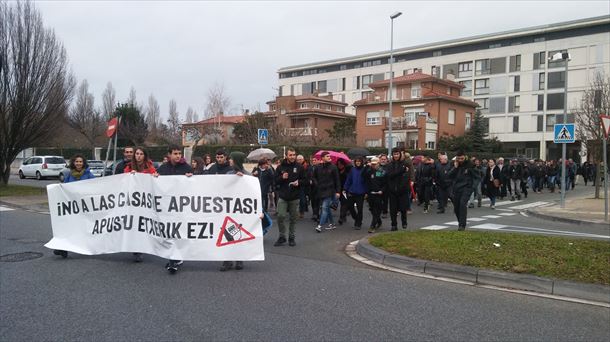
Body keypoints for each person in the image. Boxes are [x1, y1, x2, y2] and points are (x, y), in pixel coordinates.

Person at [153, 146, 193, 274]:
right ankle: (173, 257)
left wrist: (191, 178)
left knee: (179, 231)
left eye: (180, 153)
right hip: (166, 207)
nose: (178, 156)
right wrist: (155, 177)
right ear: (169, 155)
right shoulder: (163, 168)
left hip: (182, 206)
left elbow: (196, 184)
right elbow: (155, 183)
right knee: (169, 231)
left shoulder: (186, 168)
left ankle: (175, 258)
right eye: (175, 153)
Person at [53, 154, 96, 258]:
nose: (78, 163)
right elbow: (65, 188)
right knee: (68, 227)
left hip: (85, 207)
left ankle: (91, 247)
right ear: (73, 163)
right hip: (73, 207)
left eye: (80, 162)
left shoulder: (89, 174)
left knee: (85, 228)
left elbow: (96, 186)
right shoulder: (69, 175)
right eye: (77, 161)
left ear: (83, 163)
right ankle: (63, 249)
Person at [123, 147, 156, 262]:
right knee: (134, 225)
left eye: (141, 154)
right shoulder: (128, 168)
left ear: (144, 156)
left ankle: (141, 247)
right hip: (132, 202)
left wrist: (155, 177)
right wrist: (129, 176)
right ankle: (136, 250)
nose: (138, 156)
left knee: (142, 224)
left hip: (145, 202)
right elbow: (123, 182)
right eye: (137, 153)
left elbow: (155, 181)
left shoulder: (150, 168)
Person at [220, 151, 250, 272]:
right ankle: (227, 260)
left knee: (238, 234)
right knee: (227, 234)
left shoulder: (248, 176)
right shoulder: (228, 174)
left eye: (232, 159)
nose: (229, 161)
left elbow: (252, 194)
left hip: (241, 211)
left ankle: (239, 259)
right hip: (229, 209)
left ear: (236, 160)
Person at [273, 148, 306, 245]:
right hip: (283, 196)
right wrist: (282, 178)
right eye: (290, 155)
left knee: (293, 218)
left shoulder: (299, 167)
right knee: (280, 216)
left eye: (294, 155)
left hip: (294, 197)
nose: (292, 157)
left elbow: (306, 180)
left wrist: (299, 182)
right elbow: (275, 181)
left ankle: (291, 237)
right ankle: (282, 236)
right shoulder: (280, 167)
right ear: (286, 156)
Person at [447, 150, 475, 231]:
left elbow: (476, 176)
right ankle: (460, 222)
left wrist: (472, 187)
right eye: (459, 159)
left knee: (463, 204)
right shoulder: (454, 164)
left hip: (467, 187)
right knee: (456, 207)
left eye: (462, 158)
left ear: (465, 157)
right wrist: (455, 168)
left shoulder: (470, 164)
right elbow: (449, 175)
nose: (460, 160)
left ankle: (462, 225)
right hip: (456, 187)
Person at [313, 151, 340, 232]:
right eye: (327, 156)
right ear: (322, 158)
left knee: (324, 208)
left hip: (330, 190)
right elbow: (313, 177)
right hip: (320, 191)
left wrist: (338, 191)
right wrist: (316, 184)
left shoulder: (333, 167)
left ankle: (320, 226)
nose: (329, 157)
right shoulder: (318, 167)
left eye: (329, 156)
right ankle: (332, 224)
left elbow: (337, 180)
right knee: (327, 208)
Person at [384, 148, 410, 230]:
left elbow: (406, 177)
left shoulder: (404, 164)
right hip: (392, 190)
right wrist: (401, 171)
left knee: (403, 208)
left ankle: (404, 221)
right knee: (393, 209)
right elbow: (390, 175)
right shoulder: (389, 165)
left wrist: (402, 187)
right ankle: (394, 224)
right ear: (392, 155)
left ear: (400, 155)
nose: (396, 156)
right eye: (394, 154)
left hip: (403, 190)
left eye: (397, 154)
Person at [363, 157, 386, 233]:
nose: (373, 165)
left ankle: (372, 226)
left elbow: (385, 183)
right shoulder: (369, 171)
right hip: (370, 194)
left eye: (375, 164)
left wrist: (382, 190)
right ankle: (378, 221)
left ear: (378, 164)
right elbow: (363, 176)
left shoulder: (381, 172)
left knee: (377, 210)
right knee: (372, 209)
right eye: (372, 164)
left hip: (379, 194)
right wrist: (366, 166)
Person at [343, 156, 367, 230]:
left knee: (360, 209)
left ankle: (358, 223)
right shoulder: (352, 170)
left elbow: (367, 182)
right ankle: (356, 218)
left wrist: (366, 192)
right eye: (357, 161)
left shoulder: (364, 170)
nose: (358, 163)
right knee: (350, 207)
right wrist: (345, 188)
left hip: (361, 192)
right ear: (355, 162)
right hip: (352, 191)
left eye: (359, 161)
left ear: (362, 162)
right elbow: (349, 180)